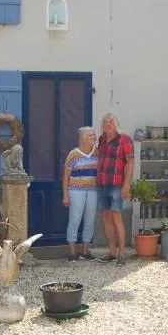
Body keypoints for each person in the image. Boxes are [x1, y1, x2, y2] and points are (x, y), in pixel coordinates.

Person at [96, 113, 134, 266]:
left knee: (117, 218)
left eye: (110, 122)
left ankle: (122, 254)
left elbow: (131, 163)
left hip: (116, 184)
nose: (108, 124)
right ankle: (112, 252)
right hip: (102, 184)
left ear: (116, 124)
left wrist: (126, 185)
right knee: (105, 218)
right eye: (105, 122)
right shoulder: (102, 140)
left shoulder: (124, 139)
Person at [62, 126, 99, 262]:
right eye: (91, 135)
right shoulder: (73, 154)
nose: (94, 137)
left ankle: (85, 251)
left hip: (93, 191)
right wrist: (65, 195)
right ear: (83, 138)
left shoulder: (97, 153)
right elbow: (65, 176)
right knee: (75, 219)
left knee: (90, 221)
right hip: (76, 191)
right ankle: (72, 253)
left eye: (94, 135)